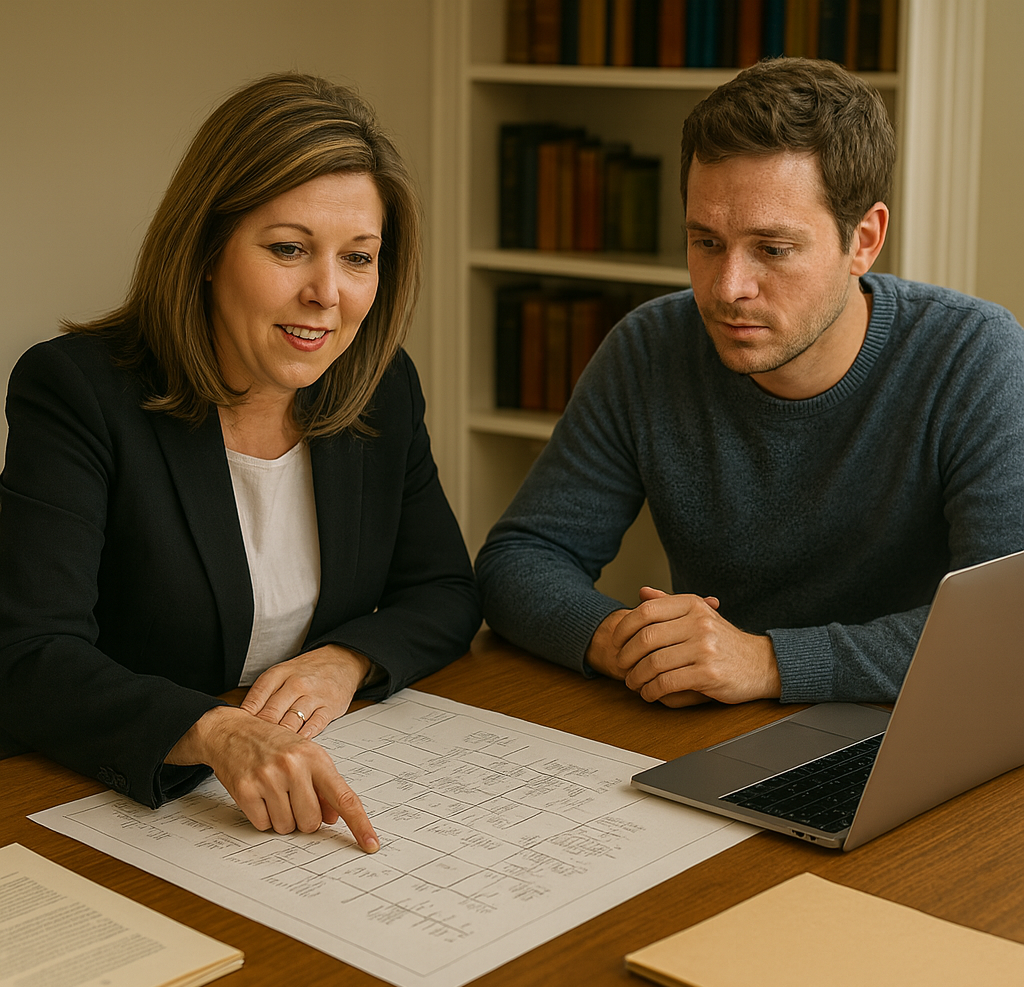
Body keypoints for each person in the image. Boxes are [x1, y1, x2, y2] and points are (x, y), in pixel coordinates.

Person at [0, 73, 481, 851]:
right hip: (115, 805)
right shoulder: (77, 391)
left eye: (359, 257)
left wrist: (348, 660)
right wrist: (212, 729)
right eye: (289, 249)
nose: (328, 293)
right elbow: (27, 657)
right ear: (205, 250)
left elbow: (445, 591)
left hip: (308, 806)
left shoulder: (380, 387)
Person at [476, 57, 1024, 711]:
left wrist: (767, 663)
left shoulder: (974, 355)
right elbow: (520, 558)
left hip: (919, 730)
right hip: (716, 729)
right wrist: (623, 641)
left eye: (772, 248)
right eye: (706, 242)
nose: (729, 287)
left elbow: (1005, 628)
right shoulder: (648, 347)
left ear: (864, 240)